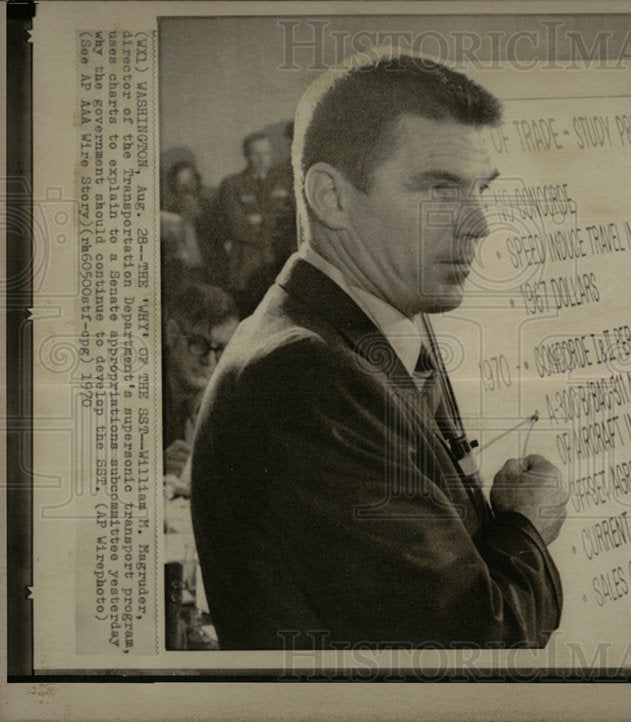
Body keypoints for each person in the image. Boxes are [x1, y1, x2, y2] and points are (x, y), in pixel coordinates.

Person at [190, 54, 568, 650]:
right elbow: (477, 644)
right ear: (332, 198)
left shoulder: (376, 322)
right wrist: (526, 526)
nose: (479, 223)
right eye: (441, 187)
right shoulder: (302, 377)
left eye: (481, 190)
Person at [162, 281, 239, 499]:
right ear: (172, 334)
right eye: (199, 344)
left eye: (222, 349)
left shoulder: (227, 401)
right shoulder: (136, 393)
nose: (210, 360)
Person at [215, 132, 286, 315]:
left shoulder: (284, 183)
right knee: (249, 317)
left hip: (279, 262)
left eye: (266, 153)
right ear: (246, 156)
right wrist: (272, 223)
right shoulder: (232, 185)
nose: (262, 159)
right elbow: (238, 227)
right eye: (256, 154)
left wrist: (261, 219)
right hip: (246, 266)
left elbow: (289, 220)